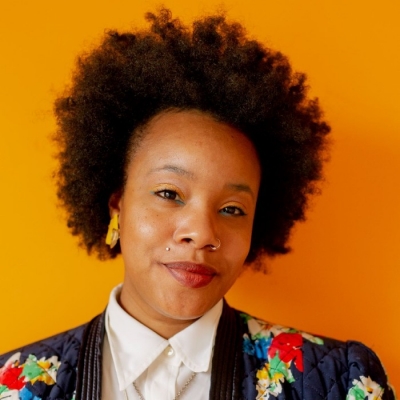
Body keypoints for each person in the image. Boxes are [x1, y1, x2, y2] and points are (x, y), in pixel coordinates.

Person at [0, 8, 395, 400]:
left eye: (232, 209)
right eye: (169, 194)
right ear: (117, 207)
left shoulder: (338, 383)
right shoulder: (12, 387)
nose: (203, 233)